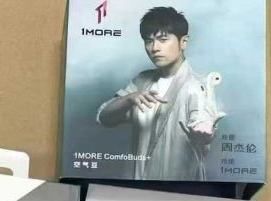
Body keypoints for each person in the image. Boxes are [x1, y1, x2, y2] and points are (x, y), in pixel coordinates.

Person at [96, 6, 223, 181]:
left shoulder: (196, 87)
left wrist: (205, 132)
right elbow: (104, 117)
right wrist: (129, 99)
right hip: (136, 181)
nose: (154, 48)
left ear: (183, 42)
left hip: (177, 186)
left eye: (163, 39)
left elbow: (203, 123)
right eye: (149, 41)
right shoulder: (142, 80)